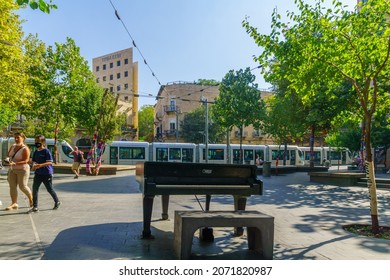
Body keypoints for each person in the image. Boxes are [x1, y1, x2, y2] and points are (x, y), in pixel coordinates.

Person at [29, 135, 61, 213]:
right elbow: (34, 161)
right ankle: (35, 206)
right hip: (38, 173)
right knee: (35, 189)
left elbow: (50, 162)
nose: (36, 143)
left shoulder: (46, 151)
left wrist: (39, 165)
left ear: (43, 142)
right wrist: (32, 164)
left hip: (46, 173)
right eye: (35, 141)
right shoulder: (36, 151)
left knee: (49, 189)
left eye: (38, 141)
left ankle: (57, 201)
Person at [4, 132, 33, 210]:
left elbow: (26, 160)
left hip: (22, 170)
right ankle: (14, 203)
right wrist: (7, 159)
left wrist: (15, 163)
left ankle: (31, 198)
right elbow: (8, 155)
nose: (16, 139)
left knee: (22, 186)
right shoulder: (13, 146)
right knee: (12, 187)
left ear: (22, 138)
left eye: (18, 137)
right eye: (15, 138)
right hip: (13, 169)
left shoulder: (25, 148)